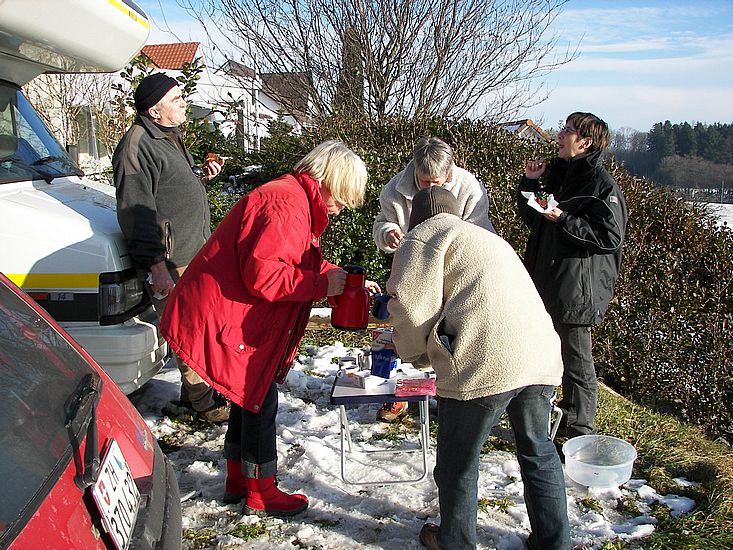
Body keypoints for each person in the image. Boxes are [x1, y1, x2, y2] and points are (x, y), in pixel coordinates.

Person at [160, 140, 380, 517]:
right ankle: (261, 490)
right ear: (330, 181)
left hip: (230, 311)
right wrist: (321, 285)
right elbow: (265, 275)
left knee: (248, 396)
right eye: (343, 198)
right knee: (259, 399)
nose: (342, 208)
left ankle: (238, 478)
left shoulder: (294, 200)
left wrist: (338, 277)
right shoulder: (286, 204)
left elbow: (296, 260)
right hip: (225, 313)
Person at [387, 186, 570, 550]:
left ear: (416, 219)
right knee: (539, 452)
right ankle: (554, 543)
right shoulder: (487, 238)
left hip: (484, 361)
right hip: (540, 355)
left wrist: (413, 353)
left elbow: (409, 306)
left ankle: (454, 542)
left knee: (458, 462)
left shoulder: (423, 237)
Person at [113, 73, 229, 423]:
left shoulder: (168, 135)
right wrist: (156, 266)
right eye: (176, 99)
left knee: (200, 327)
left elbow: (171, 185)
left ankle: (194, 395)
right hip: (170, 261)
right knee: (187, 332)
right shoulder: (136, 146)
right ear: (154, 110)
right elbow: (136, 211)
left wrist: (202, 175)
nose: (184, 103)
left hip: (193, 253)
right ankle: (204, 404)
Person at [517, 111, 628, 439]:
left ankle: (579, 432)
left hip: (576, 288)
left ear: (586, 142)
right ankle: (552, 419)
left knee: (576, 362)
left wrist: (564, 218)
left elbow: (610, 237)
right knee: (548, 354)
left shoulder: (601, 184)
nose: (560, 135)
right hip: (547, 279)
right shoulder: (559, 175)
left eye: (568, 131)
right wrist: (530, 182)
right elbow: (535, 220)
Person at [372, 136, 495, 422]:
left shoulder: (469, 187)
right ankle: (401, 395)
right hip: (414, 270)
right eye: (424, 182)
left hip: (456, 271)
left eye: (436, 183)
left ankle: (450, 393)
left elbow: (481, 234)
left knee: (453, 334)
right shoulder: (394, 189)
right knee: (409, 327)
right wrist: (388, 233)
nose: (430, 188)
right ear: (415, 170)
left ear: (449, 174)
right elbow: (382, 222)